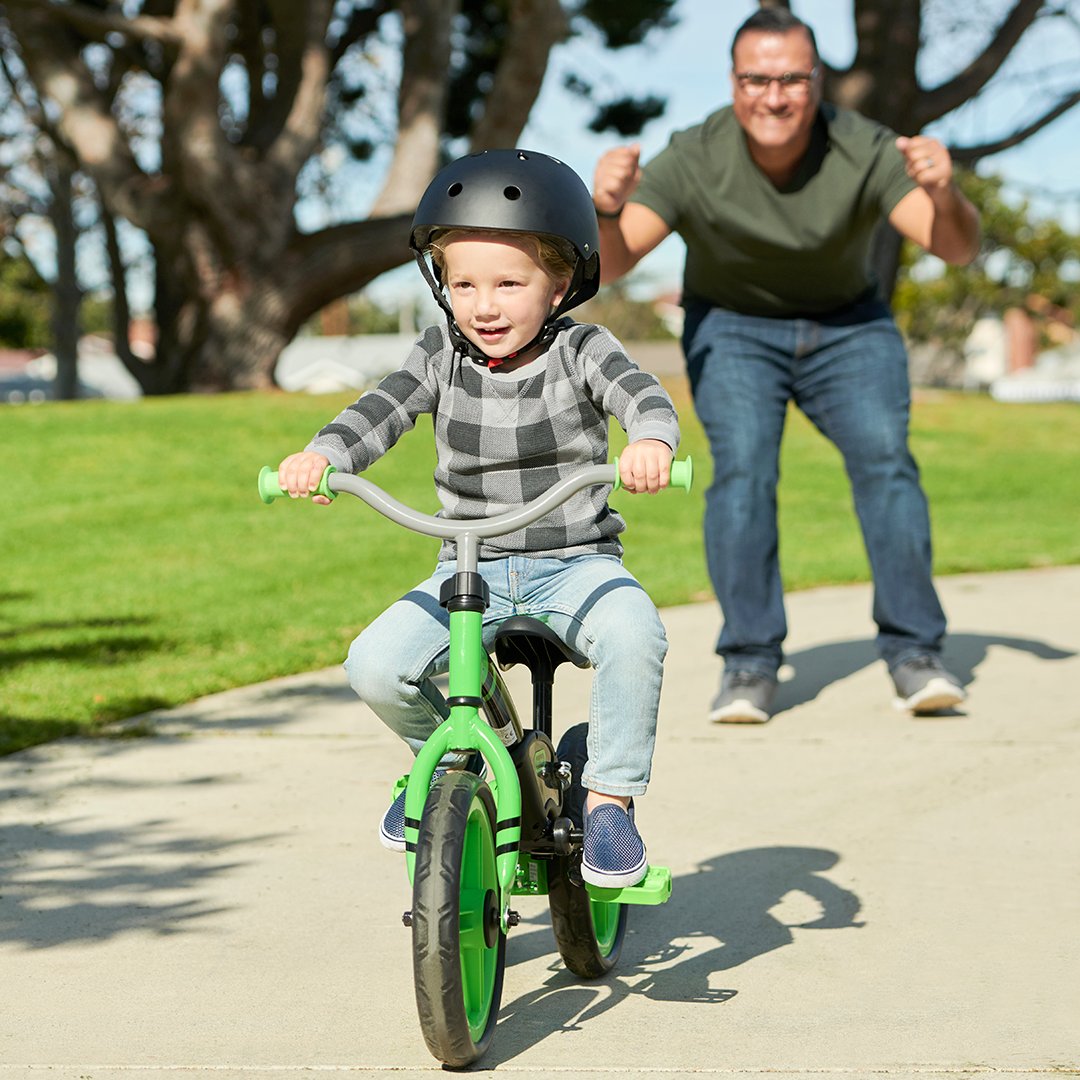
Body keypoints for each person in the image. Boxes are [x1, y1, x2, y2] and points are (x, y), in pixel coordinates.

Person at [277, 149, 680, 888]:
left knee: (635, 633)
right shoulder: (439, 353)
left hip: (576, 562)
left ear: (559, 284)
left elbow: (642, 394)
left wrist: (650, 441)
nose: (483, 305)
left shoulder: (583, 348)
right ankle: (449, 770)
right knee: (375, 664)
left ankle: (610, 801)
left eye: (507, 283)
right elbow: (381, 408)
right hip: (469, 568)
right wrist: (324, 456)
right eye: (463, 283)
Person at [592, 9, 980, 723]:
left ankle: (915, 652)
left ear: (816, 81)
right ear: (735, 84)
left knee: (886, 461)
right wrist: (607, 208)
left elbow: (954, 247)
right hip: (735, 328)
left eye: (792, 79)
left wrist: (944, 192)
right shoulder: (696, 154)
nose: (774, 96)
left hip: (848, 326)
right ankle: (749, 663)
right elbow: (616, 261)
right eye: (756, 79)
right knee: (743, 470)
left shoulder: (862, 147)